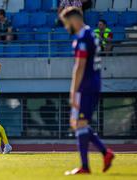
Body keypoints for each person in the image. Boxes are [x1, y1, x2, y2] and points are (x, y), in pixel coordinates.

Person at [59, 7, 114, 175]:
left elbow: (79, 66)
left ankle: (85, 166)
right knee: (78, 123)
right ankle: (105, 153)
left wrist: (72, 91)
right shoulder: (91, 33)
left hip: (86, 85)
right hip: (93, 82)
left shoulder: (83, 37)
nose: (66, 27)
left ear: (74, 20)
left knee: (80, 123)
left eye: (66, 23)